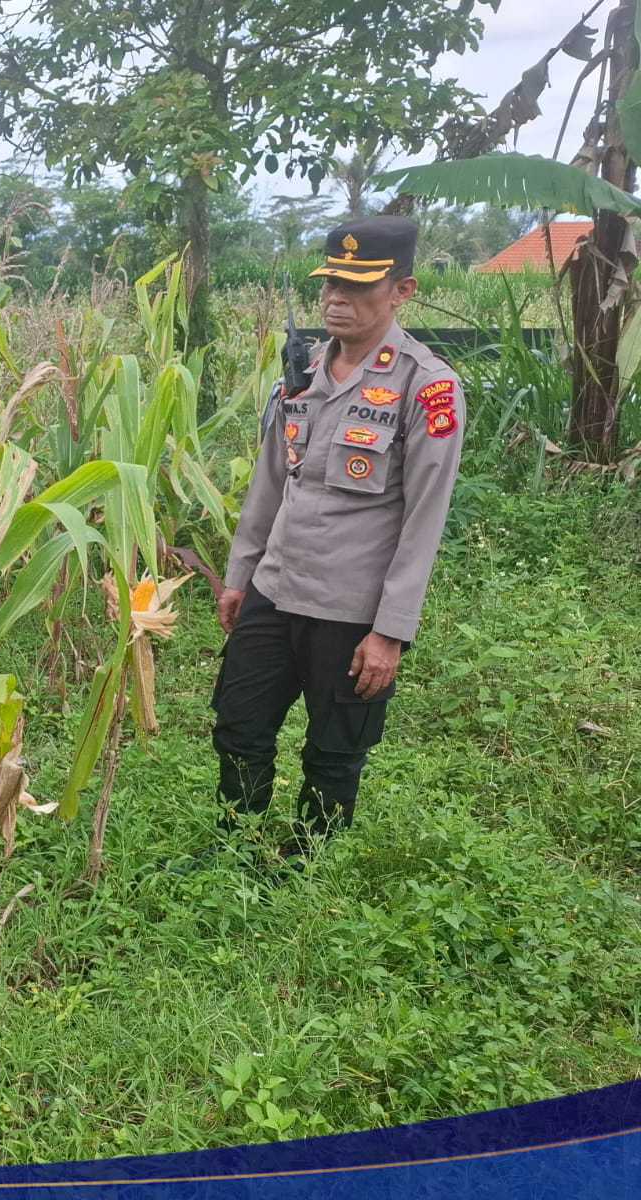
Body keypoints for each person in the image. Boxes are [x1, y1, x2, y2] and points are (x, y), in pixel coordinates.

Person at [209, 216, 464, 859]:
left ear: (402, 290)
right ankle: (236, 849)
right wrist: (241, 577)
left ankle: (305, 868)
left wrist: (391, 631)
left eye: (357, 286)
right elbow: (270, 485)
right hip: (276, 585)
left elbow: (424, 519)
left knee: (334, 748)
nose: (335, 299)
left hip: (351, 607)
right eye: (329, 284)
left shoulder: (425, 386)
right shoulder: (301, 372)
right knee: (239, 725)